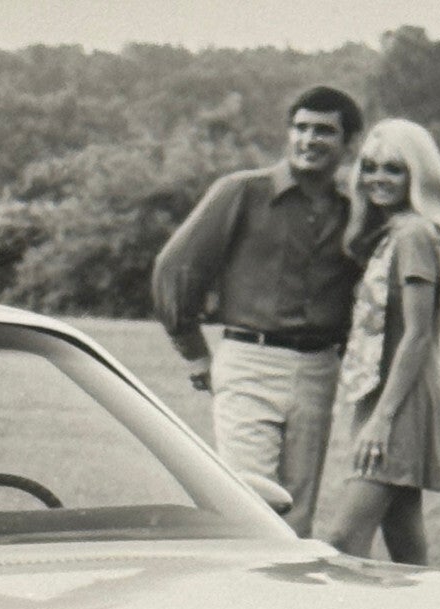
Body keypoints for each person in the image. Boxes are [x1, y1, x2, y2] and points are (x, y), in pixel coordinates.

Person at [152, 86, 363, 536]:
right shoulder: (241, 193)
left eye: (324, 131)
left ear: (349, 144)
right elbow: (176, 268)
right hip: (250, 360)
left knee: (298, 512)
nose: (309, 140)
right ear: (288, 134)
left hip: (319, 369)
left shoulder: (352, 210)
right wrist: (194, 353)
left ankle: (286, 603)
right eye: (301, 128)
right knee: (249, 502)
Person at [319, 119, 440, 566]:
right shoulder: (393, 234)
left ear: (416, 175)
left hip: (399, 403)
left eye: (393, 169)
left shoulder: (414, 236)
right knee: (405, 540)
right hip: (382, 396)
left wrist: (382, 420)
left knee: (344, 542)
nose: (377, 179)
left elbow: (418, 335)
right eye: (369, 167)